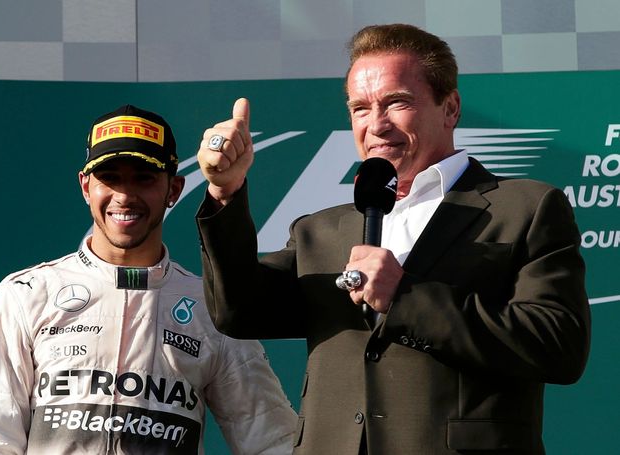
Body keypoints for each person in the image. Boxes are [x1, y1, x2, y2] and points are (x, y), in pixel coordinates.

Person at [194, 24, 591, 455]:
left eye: (397, 103)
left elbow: (559, 345)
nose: (377, 125)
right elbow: (238, 311)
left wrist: (407, 296)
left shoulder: (526, 209)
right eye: (360, 108)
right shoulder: (317, 231)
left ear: (451, 107)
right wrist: (225, 193)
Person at [0, 104, 297, 454]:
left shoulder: (209, 306)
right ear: (86, 187)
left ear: (174, 189)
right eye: (110, 177)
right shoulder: (25, 295)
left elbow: (273, 442)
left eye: (144, 178)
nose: (125, 194)